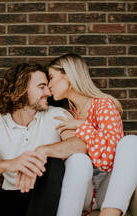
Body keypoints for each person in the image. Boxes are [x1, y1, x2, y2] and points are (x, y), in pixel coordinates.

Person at [0, 62, 86, 216]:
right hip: (8, 199)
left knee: (54, 163)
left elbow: (79, 145)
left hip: (44, 198)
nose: (48, 92)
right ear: (21, 90)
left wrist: (42, 152)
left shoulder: (57, 115)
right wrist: (10, 164)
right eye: (41, 86)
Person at [48, 53, 137, 216]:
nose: (49, 85)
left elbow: (108, 159)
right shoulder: (68, 114)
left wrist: (82, 126)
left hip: (109, 190)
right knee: (78, 159)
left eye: (52, 77)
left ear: (68, 76)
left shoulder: (104, 106)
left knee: (132, 143)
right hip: (83, 193)